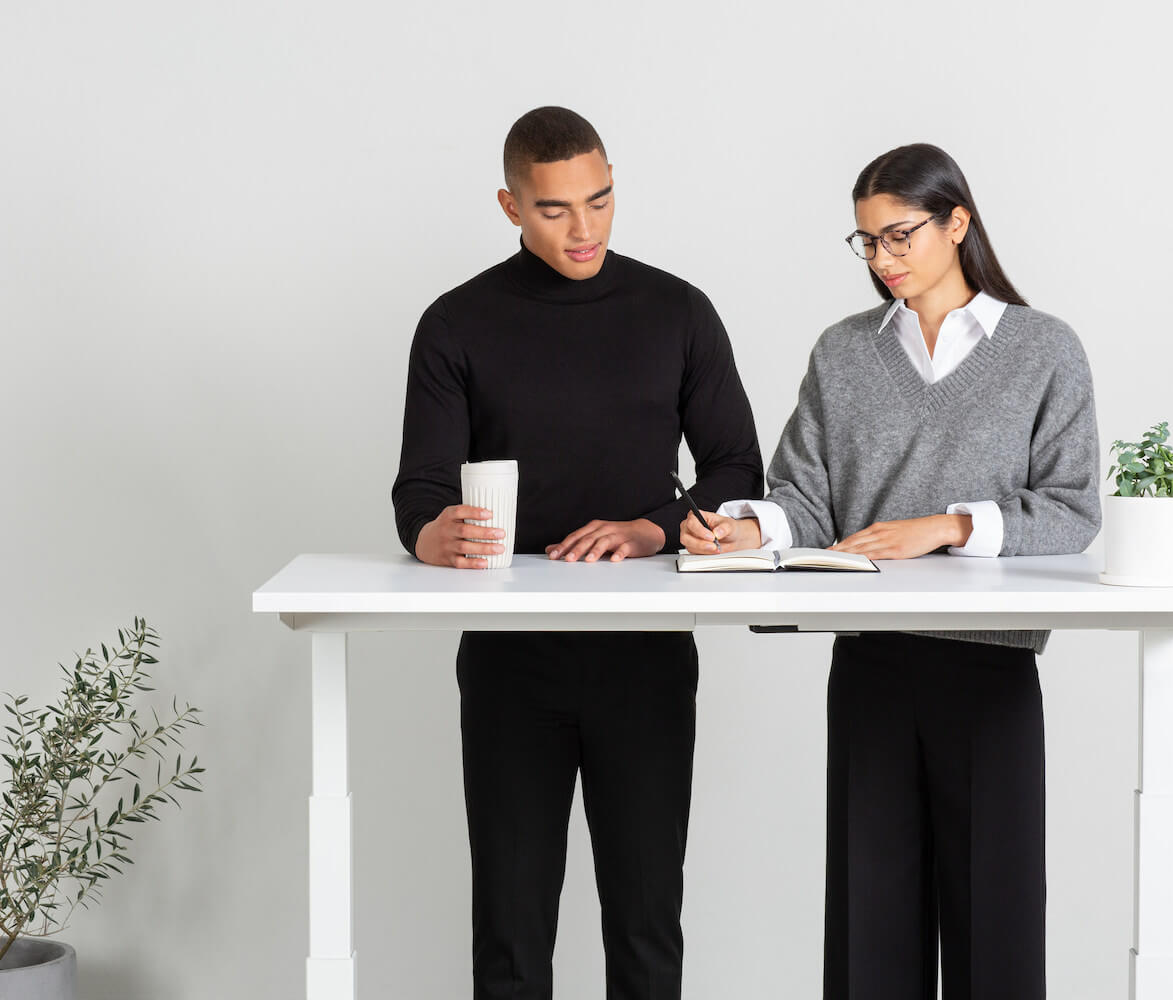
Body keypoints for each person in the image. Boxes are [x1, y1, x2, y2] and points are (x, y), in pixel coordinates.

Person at [681, 143, 1101, 999]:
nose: (883, 260)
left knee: (998, 937)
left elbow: (1072, 511)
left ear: (957, 223)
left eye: (899, 235)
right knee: (868, 935)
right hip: (871, 662)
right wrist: (747, 528)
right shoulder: (843, 353)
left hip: (991, 666)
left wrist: (943, 527)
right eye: (867, 242)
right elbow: (805, 495)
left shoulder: (1045, 350)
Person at [393, 106, 762, 1000]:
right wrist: (431, 533)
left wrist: (654, 526)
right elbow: (419, 488)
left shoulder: (677, 310)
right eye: (556, 209)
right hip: (510, 661)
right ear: (510, 205)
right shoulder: (456, 323)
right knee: (511, 933)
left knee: (644, 927)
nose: (585, 229)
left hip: (646, 657)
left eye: (600, 201)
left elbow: (737, 468)